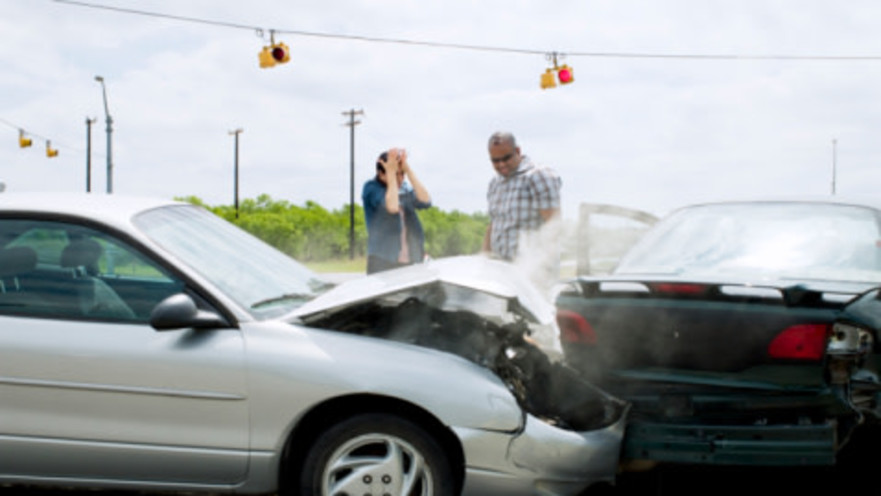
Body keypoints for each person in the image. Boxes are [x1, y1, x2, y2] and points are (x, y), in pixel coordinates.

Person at [482, 131, 562, 291]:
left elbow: (554, 226)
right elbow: (493, 225)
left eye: (506, 158)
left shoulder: (538, 176)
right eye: (495, 161)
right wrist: (483, 260)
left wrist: (542, 269)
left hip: (532, 272)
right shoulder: (495, 184)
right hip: (501, 272)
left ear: (517, 151)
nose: (501, 165)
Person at [362, 147, 432, 274]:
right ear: (381, 174)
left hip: (410, 261)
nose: (400, 179)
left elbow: (426, 201)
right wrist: (391, 173)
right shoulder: (371, 188)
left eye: (402, 174)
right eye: (396, 174)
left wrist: (408, 170)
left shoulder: (405, 190)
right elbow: (392, 207)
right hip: (382, 261)